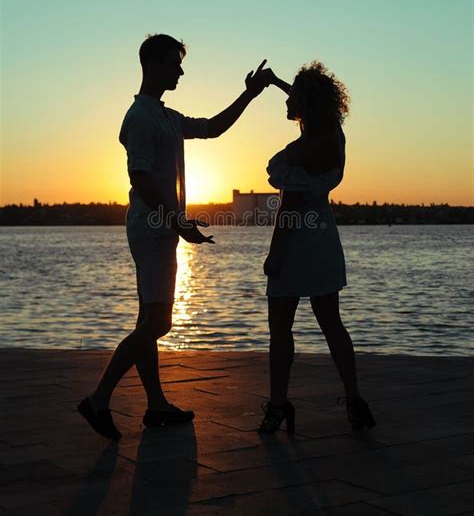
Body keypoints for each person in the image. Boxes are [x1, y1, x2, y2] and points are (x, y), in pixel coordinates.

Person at [78, 33, 272, 440]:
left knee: (147, 320)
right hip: (152, 229)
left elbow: (211, 128)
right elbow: (141, 179)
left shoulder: (165, 117)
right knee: (160, 323)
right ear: (152, 65)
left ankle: (155, 406)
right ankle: (98, 399)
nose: (180, 71)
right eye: (173, 63)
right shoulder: (140, 118)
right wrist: (177, 222)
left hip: (160, 228)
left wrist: (249, 95)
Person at [257, 61, 376, 434]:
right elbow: (304, 101)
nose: (286, 101)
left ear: (304, 105)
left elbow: (290, 209)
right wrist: (274, 81)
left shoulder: (299, 151)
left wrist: (274, 256)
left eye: (293, 96)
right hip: (324, 236)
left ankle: (278, 406)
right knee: (332, 325)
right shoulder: (334, 136)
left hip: (297, 241)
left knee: (281, 329)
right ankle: (354, 399)